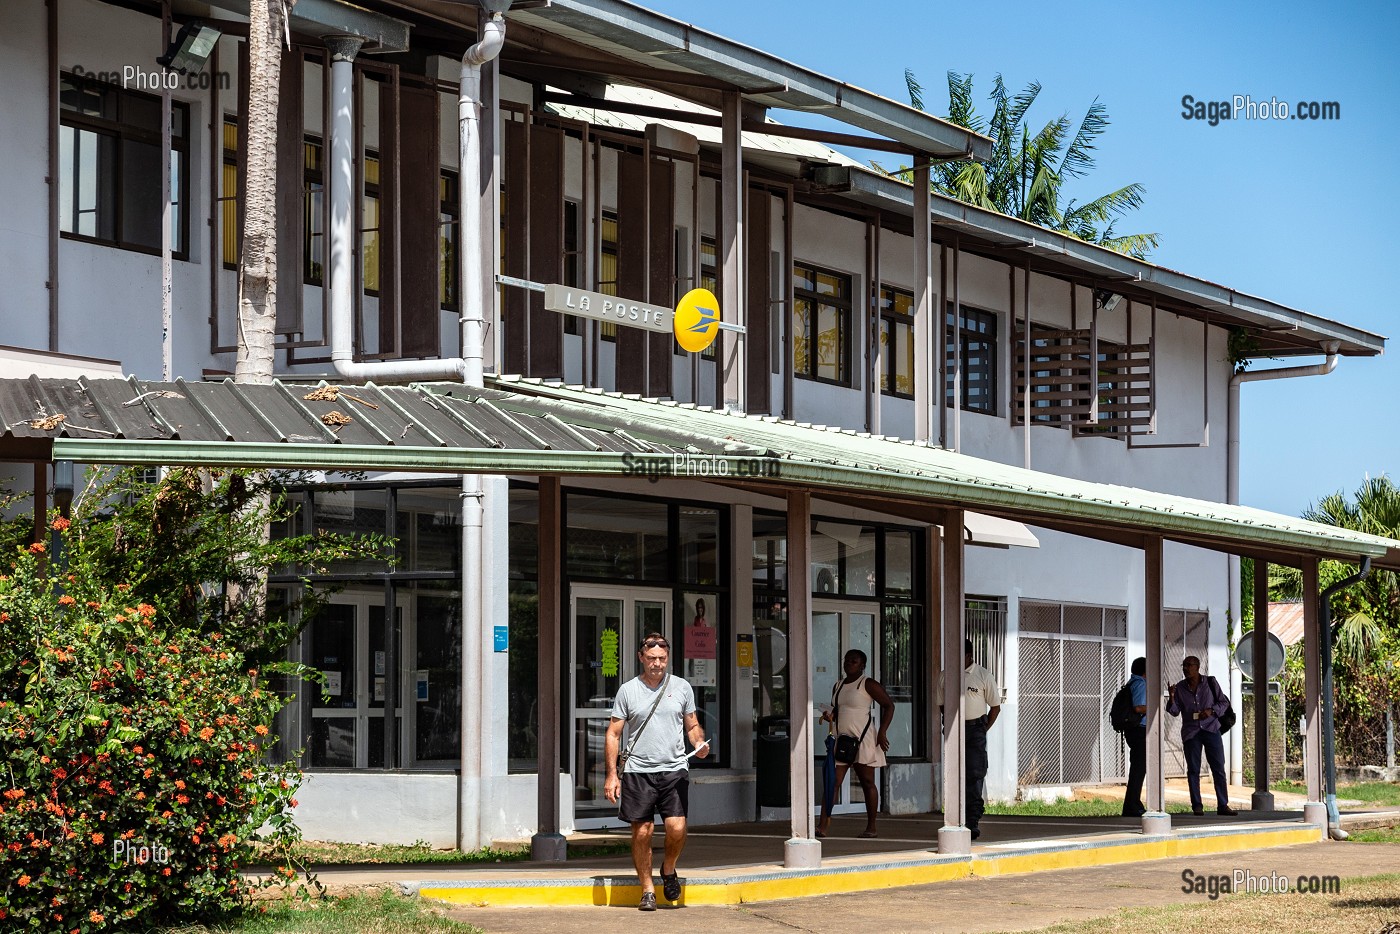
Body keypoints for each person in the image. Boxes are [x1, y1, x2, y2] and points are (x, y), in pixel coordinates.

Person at [604, 633, 708, 911]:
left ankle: (669, 868)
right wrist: (612, 774)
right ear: (641, 658)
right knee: (642, 832)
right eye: (651, 659)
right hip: (638, 771)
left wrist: (698, 741)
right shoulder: (628, 690)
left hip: (674, 769)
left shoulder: (682, 687)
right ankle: (647, 889)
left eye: (662, 659)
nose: (657, 664)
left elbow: (692, 724)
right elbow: (614, 734)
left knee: (677, 827)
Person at [817, 649, 895, 839]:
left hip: (863, 739)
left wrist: (882, 731)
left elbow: (889, 705)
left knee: (867, 782)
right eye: (847, 660)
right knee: (832, 781)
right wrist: (829, 716)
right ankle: (822, 826)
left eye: (853, 661)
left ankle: (871, 827)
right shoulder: (838, 685)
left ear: (862, 665)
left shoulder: (867, 684)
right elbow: (838, 710)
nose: (848, 664)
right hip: (842, 739)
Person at [940, 639, 1001, 840]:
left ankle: (972, 820)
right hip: (953, 730)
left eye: (960, 656)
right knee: (954, 775)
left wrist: (983, 729)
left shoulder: (983, 675)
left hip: (975, 730)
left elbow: (995, 707)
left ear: (969, 655)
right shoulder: (945, 676)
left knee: (975, 774)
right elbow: (942, 705)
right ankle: (955, 818)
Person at [1166, 655, 1237, 816]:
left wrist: (1211, 711)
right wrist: (1171, 697)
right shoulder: (1180, 688)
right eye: (1184, 665)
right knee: (1193, 770)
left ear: (1197, 667)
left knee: (1218, 768)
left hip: (1211, 729)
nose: (1186, 669)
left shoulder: (1210, 683)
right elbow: (1175, 712)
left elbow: (1223, 702)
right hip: (1192, 733)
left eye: (1189, 665)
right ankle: (1197, 805)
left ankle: (1223, 804)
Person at [1121, 657, 1148, 817]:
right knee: (1139, 769)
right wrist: (1154, 705)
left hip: (1134, 730)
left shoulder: (1132, 682)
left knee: (1138, 768)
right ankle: (1132, 804)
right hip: (1139, 730)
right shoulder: (1140, 684)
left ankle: (1132, 803)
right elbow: (1139, 708)